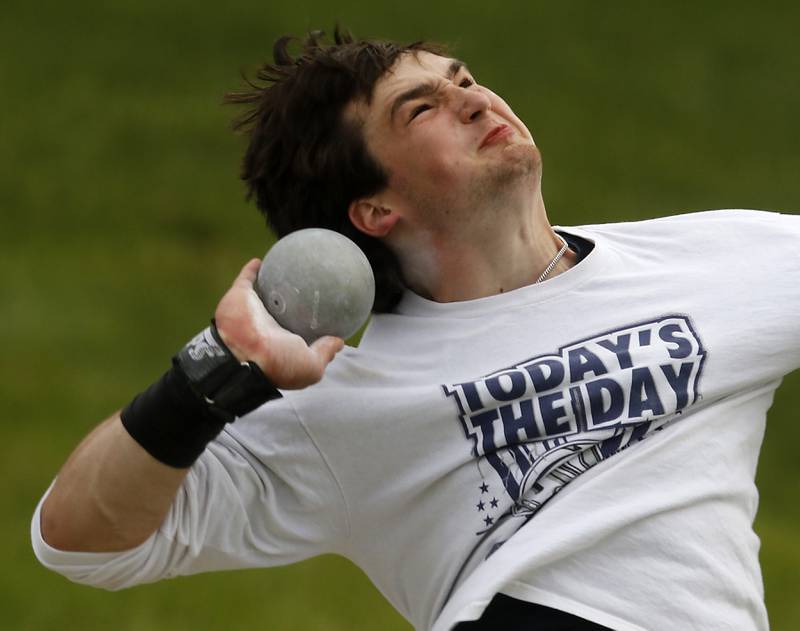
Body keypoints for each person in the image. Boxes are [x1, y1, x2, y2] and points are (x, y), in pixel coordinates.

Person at [32, 28, 799, 631]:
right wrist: (205, 375)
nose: (473, 99)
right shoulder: (344, 403)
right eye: (422, 107)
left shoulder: (722, 258)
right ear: (372, 211)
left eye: (462, 79)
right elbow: (76, 538)